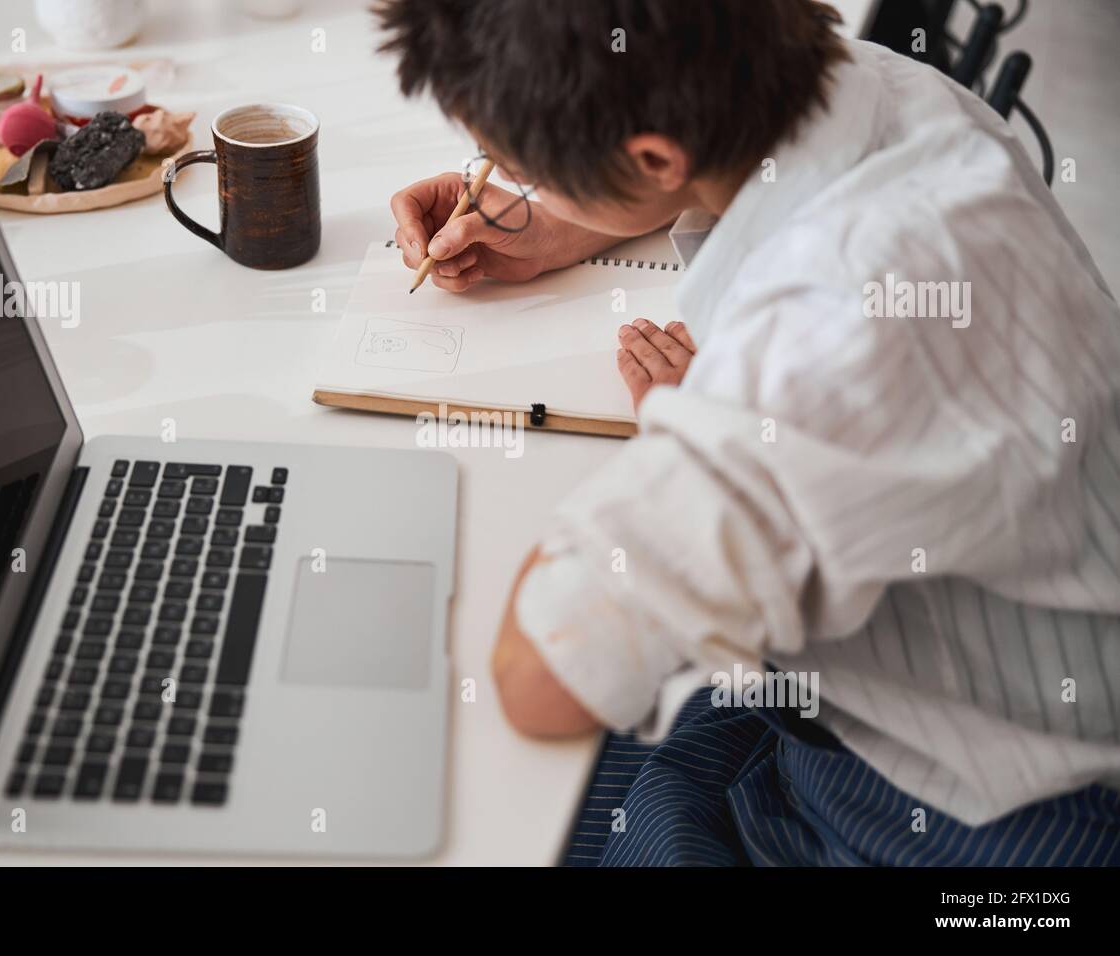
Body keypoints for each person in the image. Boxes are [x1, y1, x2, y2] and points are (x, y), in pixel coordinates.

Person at [377, 0, 1120, 865]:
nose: (500, 185)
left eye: (516, 166)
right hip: (945, 683)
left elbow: (540, 680)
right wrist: (566, 217)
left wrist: (693, 442)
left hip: (995, 821)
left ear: (653, 158)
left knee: (495, 813)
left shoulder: (833, 336)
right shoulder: (878, 84)